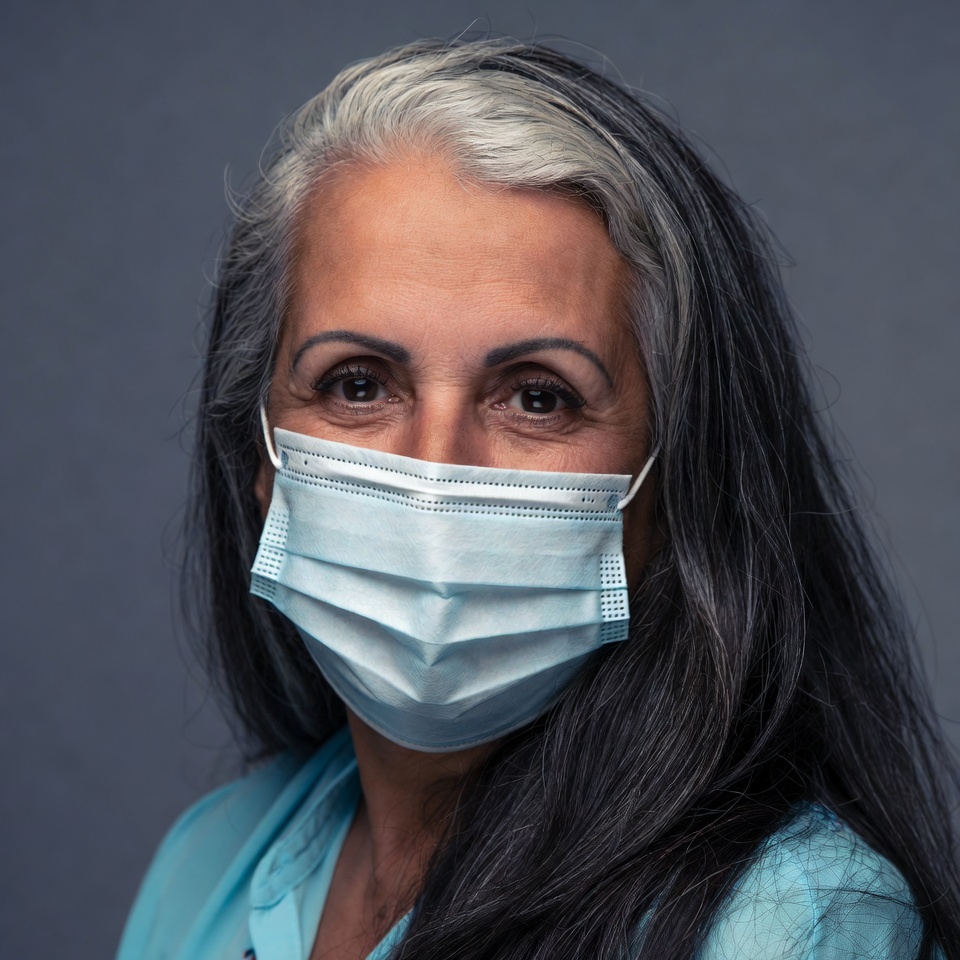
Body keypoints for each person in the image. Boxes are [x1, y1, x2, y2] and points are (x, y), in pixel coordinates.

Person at [116, 37, 960, 960]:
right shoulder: (206, 864)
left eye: (538, 398)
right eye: (357, 385)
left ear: (675, 474)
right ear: (263, 455)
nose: (435, 471)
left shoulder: (788, 922)